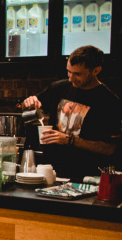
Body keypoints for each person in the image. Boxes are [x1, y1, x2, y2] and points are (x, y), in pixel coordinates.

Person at [22, 45, 121, 181]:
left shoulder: (109, 101)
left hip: (84, 176)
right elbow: (25, 108)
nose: (71, 78)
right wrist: (28, 102)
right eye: (69, 72)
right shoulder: (59, 87)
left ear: (96, 70)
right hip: (51, 172)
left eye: (77, 74)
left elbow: (109, 148)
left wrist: (70, 140)